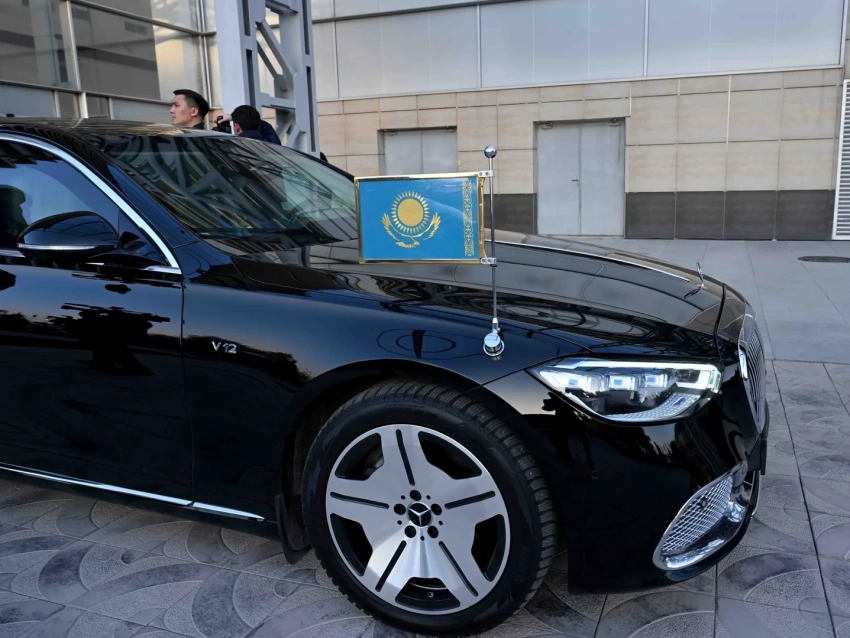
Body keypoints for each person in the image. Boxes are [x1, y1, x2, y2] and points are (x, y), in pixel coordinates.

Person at [215, 108, 281, 145]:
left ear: (237, 127)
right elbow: (265, 126)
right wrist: (234, 117)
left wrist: (234, 117)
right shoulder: (272, 143)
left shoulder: (232, 147)